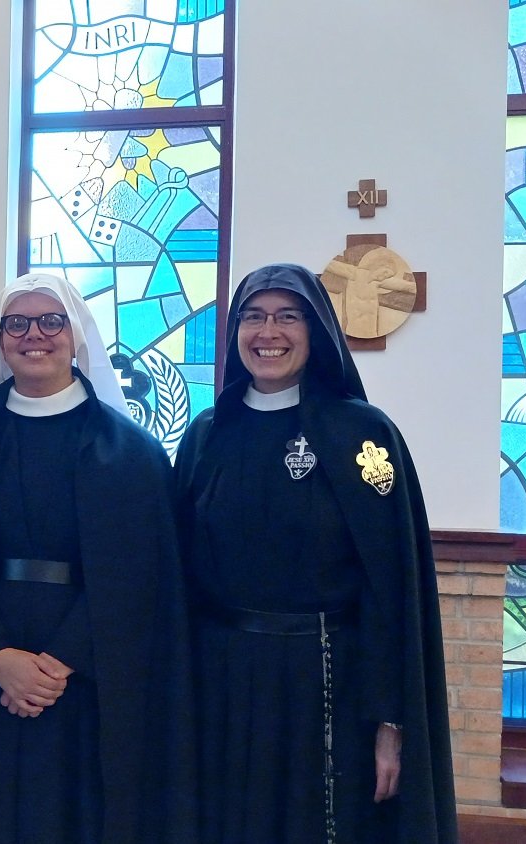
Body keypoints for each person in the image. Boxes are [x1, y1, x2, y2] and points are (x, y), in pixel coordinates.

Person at [171, 263, 456, 843]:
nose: (267, 331)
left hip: (330, 683)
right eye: (252, 316)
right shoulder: (207, 432)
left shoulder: (363, 435)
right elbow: (176, 576)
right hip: (220, 683)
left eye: (287, 316)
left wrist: (390, 724)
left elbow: (391, 590)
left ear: (316, 330)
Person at [0, 273, 195, 843]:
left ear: (77, 337)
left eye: (51, 321)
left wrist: (59, 662)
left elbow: (141, 576)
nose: (34, 336)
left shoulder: (132, 454)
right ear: (0, 340)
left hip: (90, 683)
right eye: (16, 324)